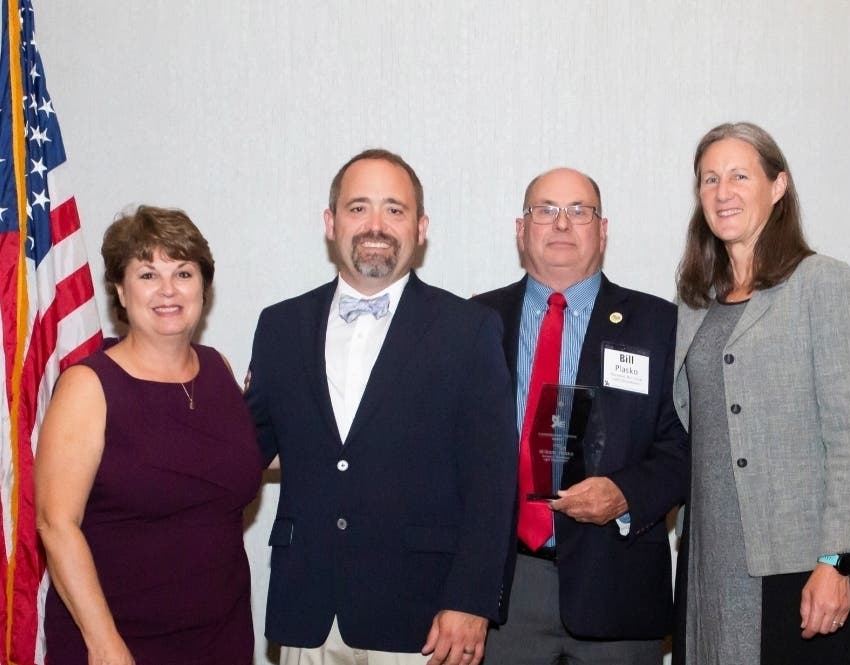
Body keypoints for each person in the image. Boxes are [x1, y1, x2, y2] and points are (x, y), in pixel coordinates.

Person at [245, 148, 517, 665]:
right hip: (308, 610)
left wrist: (471, 600)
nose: (376, 225)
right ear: (330, 223)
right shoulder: (279, 326)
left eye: (394, 209)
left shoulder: (469, 329)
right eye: (358, 208)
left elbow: (492, 478)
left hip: (423, 618)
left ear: (421, 227)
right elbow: (244, 452)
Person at [672, 122, 850, 665]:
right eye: (709, 179)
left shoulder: (821, 281)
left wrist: (837, 560)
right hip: (707, 560)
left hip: (797, 561)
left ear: (778, 185)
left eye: (740, 176)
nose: (723, 191)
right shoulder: (694, 300)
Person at [473, 168, 690, 665]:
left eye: (579, 211)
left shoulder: (660, 325)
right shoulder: (475, 322)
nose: (562, 223)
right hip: (504, 590)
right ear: (521, 229)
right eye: (545, 210)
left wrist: (626, 494)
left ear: (603, 229)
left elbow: (685, 445)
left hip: (616, 586)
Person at [35, 206, 262, 665]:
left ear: (203, 287)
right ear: (121, 291)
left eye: (183, 273)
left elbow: (228, 461)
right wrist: (104, 644)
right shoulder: (88, 386)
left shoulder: (219, 369)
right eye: (147, 274)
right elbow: (56, 524)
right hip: (120, 642)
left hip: (222, 638)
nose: (168, 290)